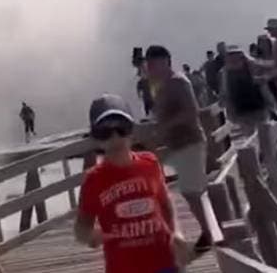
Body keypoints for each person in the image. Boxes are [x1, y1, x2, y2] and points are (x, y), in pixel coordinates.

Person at [74, 94, 189, 273]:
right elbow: (81, 228)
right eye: (105, 131)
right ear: (96, 138)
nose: (115, 137)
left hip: (164, 262)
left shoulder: (150, 163)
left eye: (121, 128)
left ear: (131, 131)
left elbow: (166, 204)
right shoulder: (93, 180)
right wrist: (90, 237)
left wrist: (177, 233)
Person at [144, 45, 212, 253]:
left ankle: (211, 233)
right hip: (176, 144)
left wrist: (166, 126)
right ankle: (210, 230)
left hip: (189, 141)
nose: (151, 68)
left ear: (165, 61)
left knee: (193, 192)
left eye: (154, 63)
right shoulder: (161, 85)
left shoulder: (179, 82)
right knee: (191, 191)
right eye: (149, 64)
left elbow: (192, 112)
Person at [220, 45, 275, 134]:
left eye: (235, 55)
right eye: (230, 56)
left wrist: (265, 78)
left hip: (259, 106)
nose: (233, 59)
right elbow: (226, 92)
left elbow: (274, 66)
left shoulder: (252, 65)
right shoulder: (226, 72)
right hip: (241, 111)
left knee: (264, 134)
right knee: (251, 137)